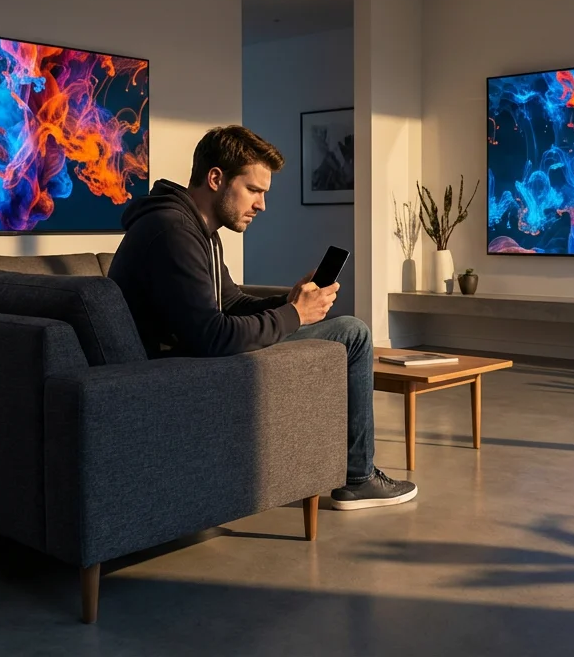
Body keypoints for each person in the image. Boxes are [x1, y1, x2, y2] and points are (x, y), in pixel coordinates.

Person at [107, 125, 418, 511]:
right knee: (353, 333)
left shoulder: (194, 228)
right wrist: (293, 315)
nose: (262, 205)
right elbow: (213, 336)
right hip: (178, 372)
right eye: (254, 190)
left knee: (343, 329)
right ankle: (359, 477)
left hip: (189, 357)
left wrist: (286, 302)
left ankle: (354, 471)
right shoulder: (174, 231)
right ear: (216, 178)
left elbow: (231, 301)